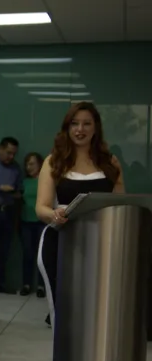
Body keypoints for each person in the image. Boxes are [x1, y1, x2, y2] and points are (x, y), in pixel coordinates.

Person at [36, 102, 124, 325]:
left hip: (103, 247)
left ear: (96, 128)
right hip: (60, 244)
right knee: (64, 315)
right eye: (74, 124)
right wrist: (54, 214)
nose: (80, 129)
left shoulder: (110, 162)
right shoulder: (53, 162)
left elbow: (122, 205)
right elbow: (41, 207)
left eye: (87, 123)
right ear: (67, 128)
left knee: (99, 315)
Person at [0, 136, 23, 293]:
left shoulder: (16, 168)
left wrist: (15, 192)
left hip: (8, 211)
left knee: (3, 251)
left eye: (14, 154)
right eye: (9, 153)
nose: (11, 157)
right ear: (1, 149)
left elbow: (20, 190)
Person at [20, 152, 46, 297]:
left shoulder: (45, 181)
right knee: (27, 254)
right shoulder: (24, 182)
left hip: (41, 222)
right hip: (26, 222)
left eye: (32, 164)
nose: (28, 167)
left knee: (41, 256)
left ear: (40, 165)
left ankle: (42, 286)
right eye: (27, 164)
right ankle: (26, 284)